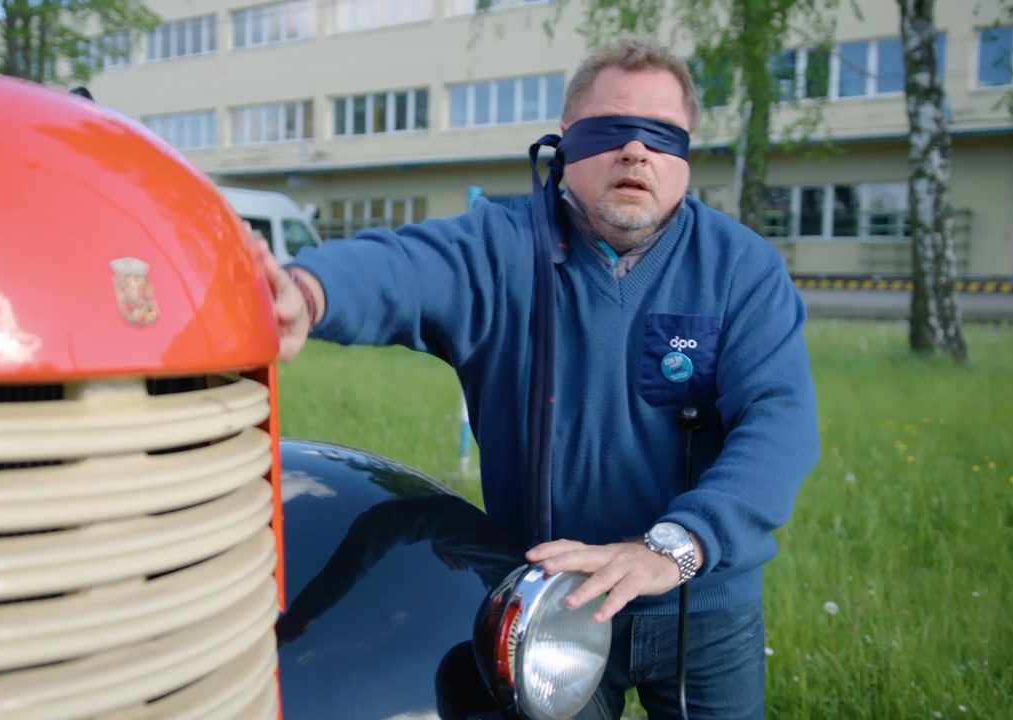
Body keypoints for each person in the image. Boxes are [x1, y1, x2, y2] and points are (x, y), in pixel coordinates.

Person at [246, 37, 820, 720]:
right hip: (552, 606)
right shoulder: (501, 249)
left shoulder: (740, 269)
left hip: (702, 596)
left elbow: (779, 422)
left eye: (661, 136)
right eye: (611, 130)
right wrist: (309, 293)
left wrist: (675, 547)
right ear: (568, 144)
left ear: (687, 156)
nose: (636, 152)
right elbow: (405, 268)